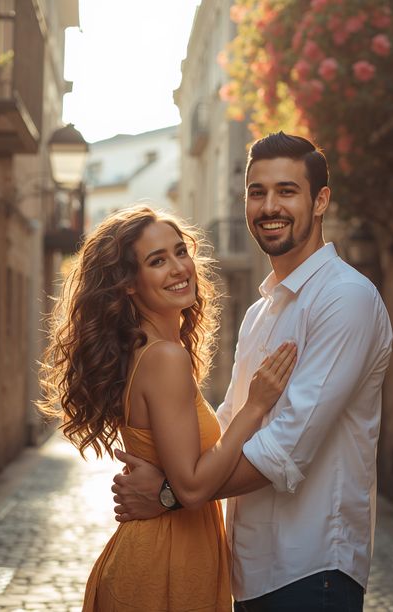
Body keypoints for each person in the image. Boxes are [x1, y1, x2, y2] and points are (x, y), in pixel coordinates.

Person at [112, 133, 393, 611]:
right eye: (257, 192)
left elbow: (285, 448)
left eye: (286, 191)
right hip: (248, 571)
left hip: (311, 571)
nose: (269, 206)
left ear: (320, 200)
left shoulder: (344, 299)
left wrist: (170, 494)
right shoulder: (261, 313)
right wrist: (180, 469)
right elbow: (231, 420)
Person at [39, 206, 298, 611]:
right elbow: (192, 487)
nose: (179, 268)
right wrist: (254, 408)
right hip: (160, 567)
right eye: (157, 261)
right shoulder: (163, 359)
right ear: (128, 284)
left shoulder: (149, 351)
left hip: (167, 556)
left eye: (180, 252)